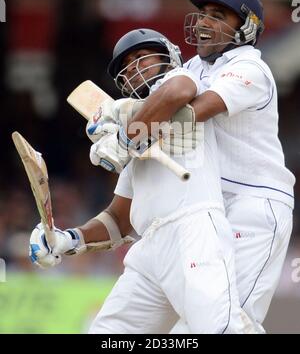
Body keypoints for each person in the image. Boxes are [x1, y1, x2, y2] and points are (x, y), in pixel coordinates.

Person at [29, 29, 252, 334]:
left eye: (141, 57)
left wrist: (123, 136)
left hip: (194, 232)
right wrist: (69, 239)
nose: (134, 66)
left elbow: (176, 92)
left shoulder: (185, 84)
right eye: (127, 65)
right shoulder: (140, 141)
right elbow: (117, 220)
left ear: (168, 58)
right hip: (149, 250)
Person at [176, 0, 295, 333]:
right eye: (202, 14)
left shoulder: (249, 68)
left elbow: (190, 115)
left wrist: (133, 126)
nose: (203, 22)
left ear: (246, 27)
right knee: (199, 322)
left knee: (231, 322)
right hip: (211, 208)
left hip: (255, 206)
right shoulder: (195, 67)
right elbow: (156, 100)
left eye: (217, 16)